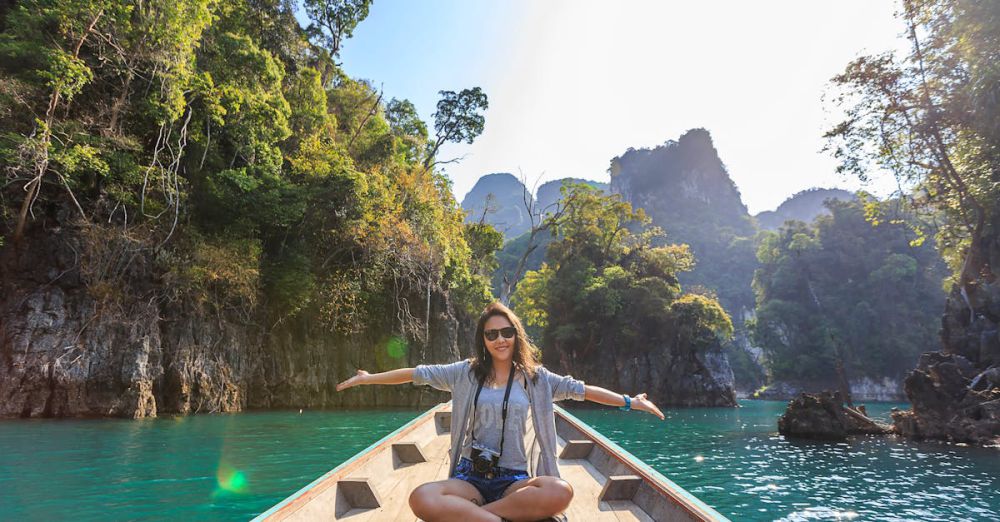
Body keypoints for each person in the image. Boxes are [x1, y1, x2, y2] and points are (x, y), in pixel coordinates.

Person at [336, 301, 665, 522]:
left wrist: (630, 401)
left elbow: (584, 390)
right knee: (421, 498)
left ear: (516, 335)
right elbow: (415, 372)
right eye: (491, 334)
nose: (500, 339)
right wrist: (368, 379)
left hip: (513, 479)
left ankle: (477, 516)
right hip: (470, 477)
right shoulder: (464, 373)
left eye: (506, 332)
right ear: (484, 339)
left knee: (559, 491)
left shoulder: (538, 379)